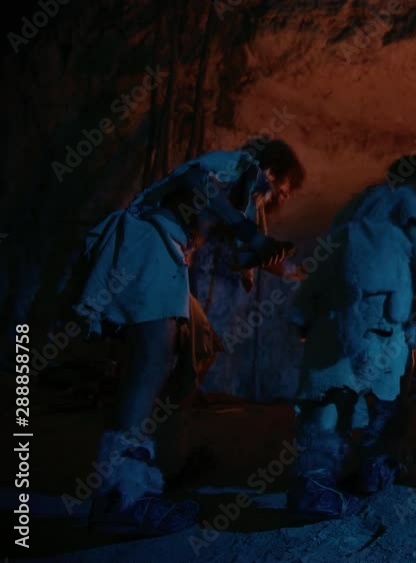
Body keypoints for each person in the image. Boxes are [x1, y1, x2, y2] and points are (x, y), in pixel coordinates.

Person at [75, 137, 305, 534]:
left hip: (168, 253)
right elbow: (197, 179)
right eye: (282, 189)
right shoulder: (240, 165)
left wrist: (295, 268)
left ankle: (160, 465)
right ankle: (120, 495)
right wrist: (247, 231)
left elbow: (246, 254)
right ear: (271, 171)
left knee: (196, 346)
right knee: (153, 359)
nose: (280, 199)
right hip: (151, 242)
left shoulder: (244, 198)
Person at [287, 155, 416, 521]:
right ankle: (376, 465)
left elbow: (328, 253)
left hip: (333, 298)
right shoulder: (414, 199)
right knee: (386, 388)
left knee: (331, 384)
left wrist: (306, 308)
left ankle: (314, 481)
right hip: (381, 300)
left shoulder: (357, 204)